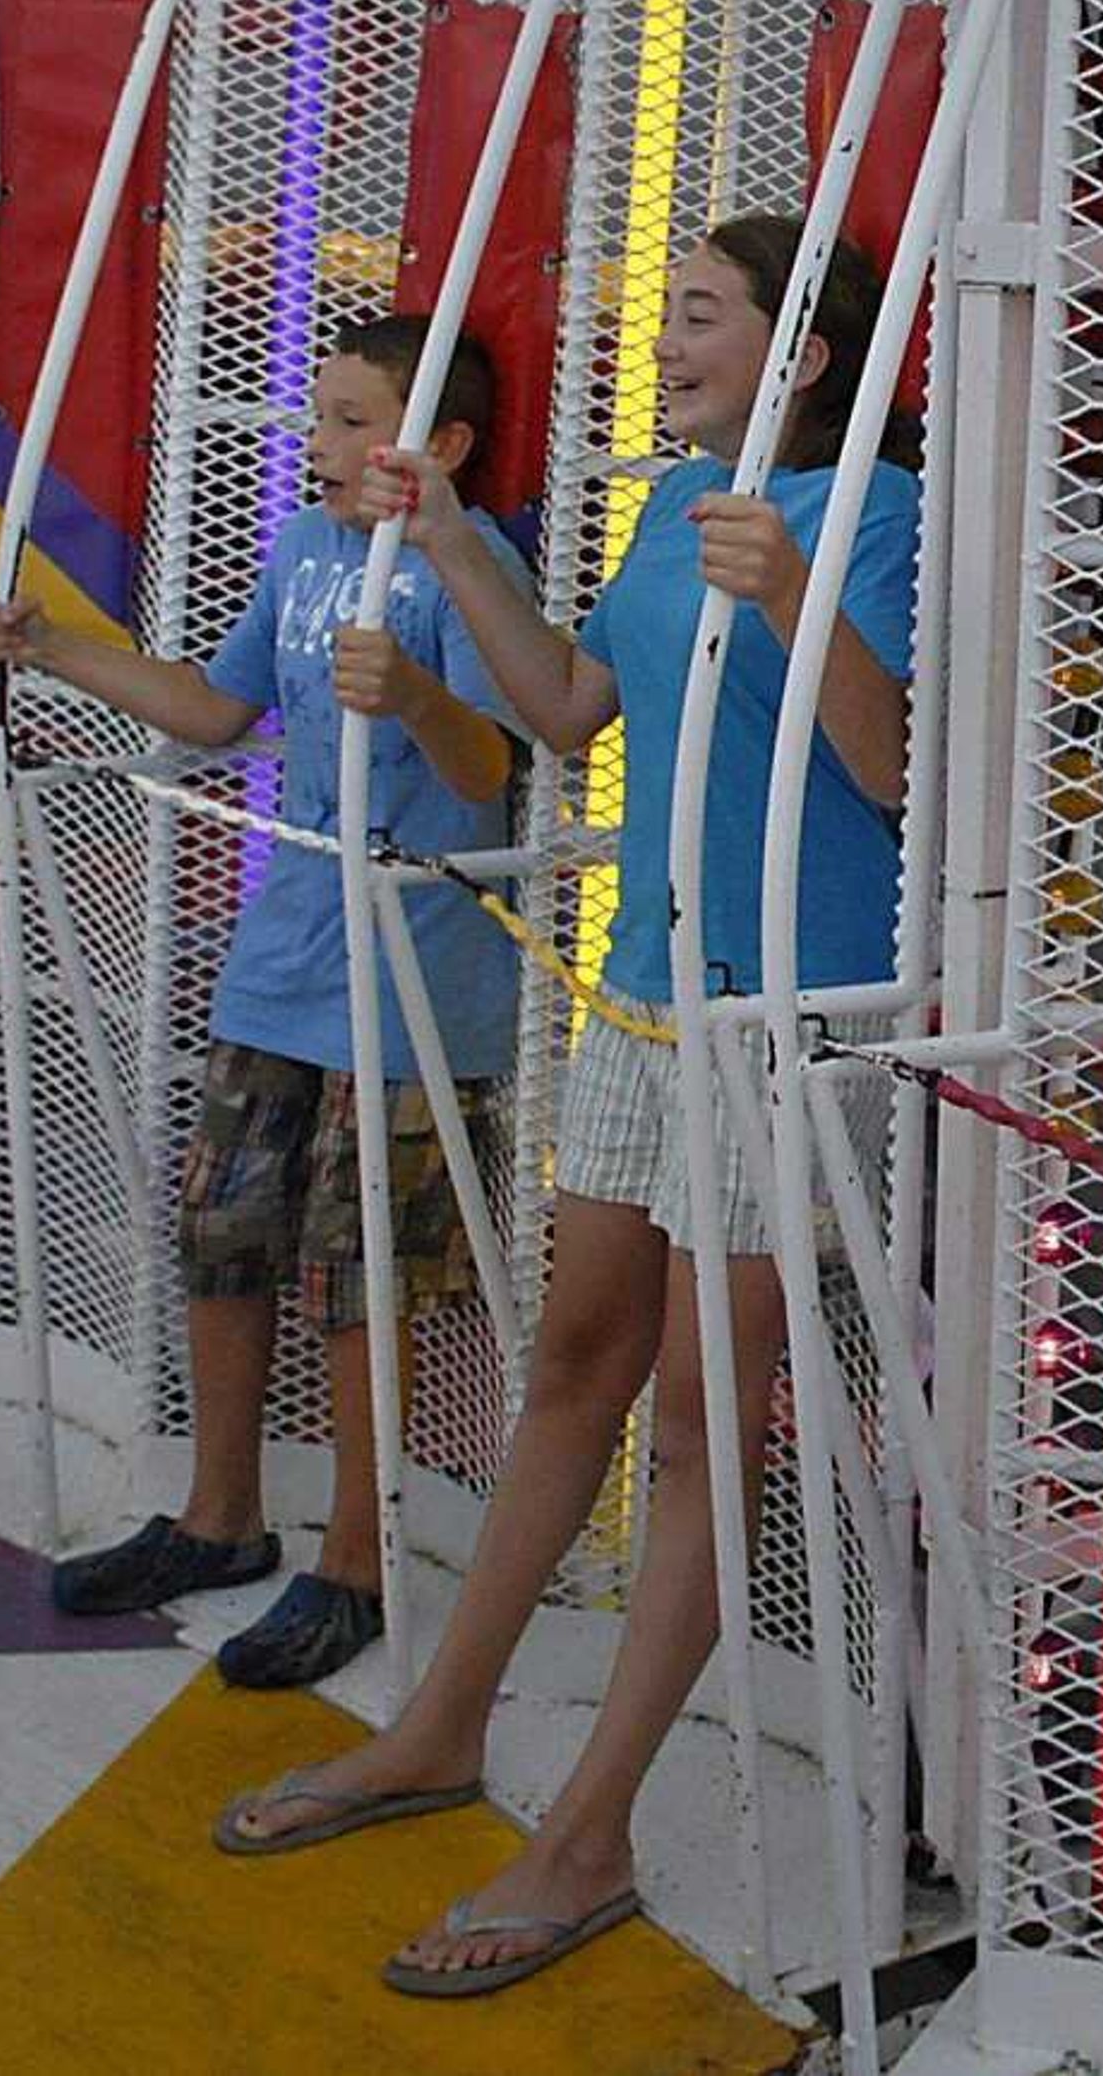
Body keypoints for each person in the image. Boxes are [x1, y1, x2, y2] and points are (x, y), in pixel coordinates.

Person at [212, 214, 922, 2004]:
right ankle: (440, 1724)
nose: (659, 335)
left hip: (784, 1024)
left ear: (802, 351)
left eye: (697, 313)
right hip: (644, 1005)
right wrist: (445, 538)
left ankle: (589, 1830)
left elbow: (900, 770)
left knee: (697, 1417)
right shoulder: (673, 508)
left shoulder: (887, 518)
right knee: (572, 1364)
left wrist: (793, 595)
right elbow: (570, 712)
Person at [0, 315, 527, 1691]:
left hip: (410, 981)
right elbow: (217, 714)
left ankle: (358, 1556)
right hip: (283, 960)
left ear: (439, 446)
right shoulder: (299, 552)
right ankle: (220, 1513)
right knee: (223, 1229)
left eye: (352, 419)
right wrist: (51, 648)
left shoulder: (468, 568)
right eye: (320, 415)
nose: (321, 443)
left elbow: (486, 773)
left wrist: (410, 691)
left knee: (364, 1278)